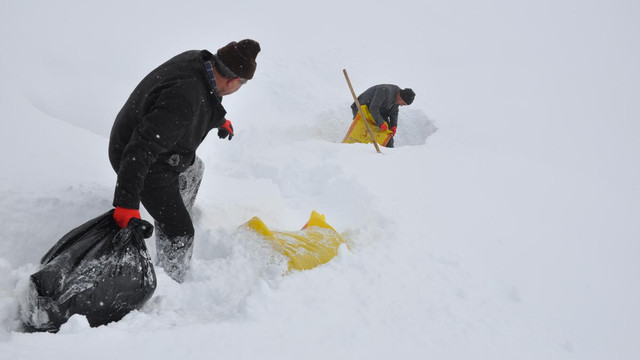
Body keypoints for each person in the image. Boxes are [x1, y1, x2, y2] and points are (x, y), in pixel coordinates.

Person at [108, 39, 261, 283]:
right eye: (241, 84)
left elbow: (203, 99)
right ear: (233, 81)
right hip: (139, 158)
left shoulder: (199, 63)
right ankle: (171, 279)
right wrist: (126, 203)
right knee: (181, 231)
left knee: (195, 169)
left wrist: (217, 120)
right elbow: (140, 150)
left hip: (149, 142)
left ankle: (172, 212)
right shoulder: (184, 101)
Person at [351, 84, 415, 148]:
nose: (401, 105)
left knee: (388, 136)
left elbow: (394, 112)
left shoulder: (397, 97)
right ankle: (359, 149)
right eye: (403, 103)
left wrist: (394, 126)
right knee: (364, 133)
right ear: (400, 96)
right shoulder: (385, 91)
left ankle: (388, 153)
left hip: (379, 111)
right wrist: (381, 123)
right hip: (362, 108)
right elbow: (374, 108)